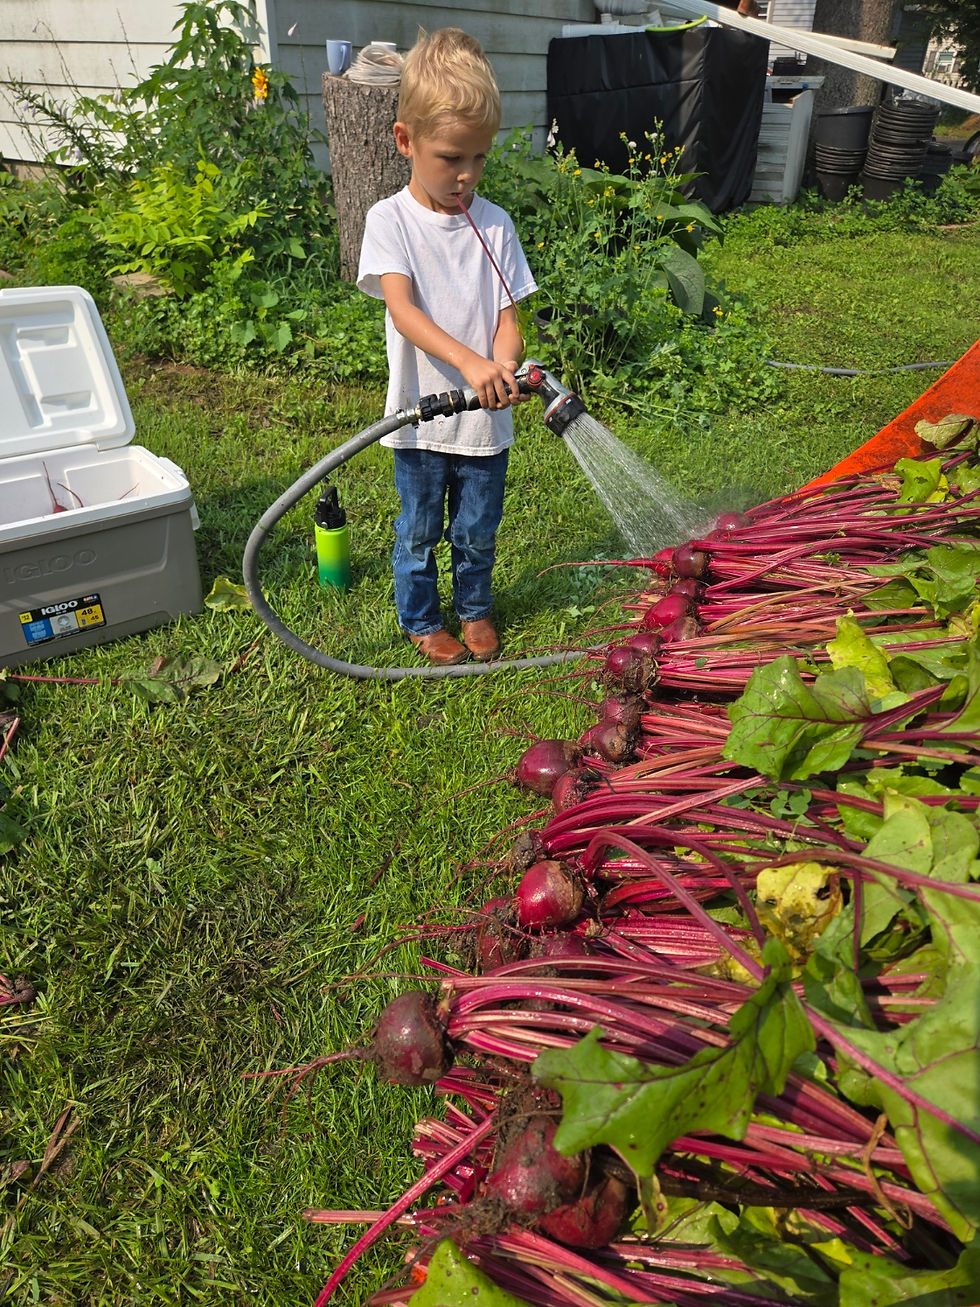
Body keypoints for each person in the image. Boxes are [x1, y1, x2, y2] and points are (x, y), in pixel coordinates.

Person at [357, 28, 537, 666]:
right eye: (450, 157)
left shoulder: (495, 223)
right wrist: (468, 362)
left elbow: (510, 315)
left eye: (479, 159)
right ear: (406, 140)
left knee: (478, 530)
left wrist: (504, 364)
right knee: (419, 531)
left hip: (485, 424)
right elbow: (403, 311)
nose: (466, 175)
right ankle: (421, 618)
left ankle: (475, 609)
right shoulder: (390, 221)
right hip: (421, 418)